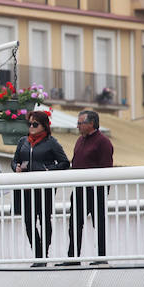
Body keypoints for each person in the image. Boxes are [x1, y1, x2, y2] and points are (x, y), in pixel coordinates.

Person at [11, 111, 70, 264]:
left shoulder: (52, 142)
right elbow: (15, 160)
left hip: (44, 189)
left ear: (44, 126)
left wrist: (47, 170)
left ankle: (43, 254)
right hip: (25, 189)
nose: (31, 127)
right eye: (29, 124)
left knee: (44, 220)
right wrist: (16, 167)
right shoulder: (23, 141)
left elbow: (64, 163)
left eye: (35, 124)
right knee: (28, 221)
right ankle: (38, 255)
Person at [66, 110, 114, 265]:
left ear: (91, 123)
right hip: (79, 189)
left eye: (81, 123)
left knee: (98, 224)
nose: (78, 126)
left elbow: (106, 167)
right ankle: (73, 257)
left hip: (95, 190)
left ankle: (101, 257)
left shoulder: (103, 142)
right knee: (74, 224)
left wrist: (101, 189)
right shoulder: (80, 140)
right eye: (78, 123)